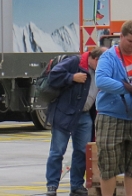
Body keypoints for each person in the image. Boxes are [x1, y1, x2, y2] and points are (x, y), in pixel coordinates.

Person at [45, 46, 106, 196]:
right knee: (57, 151)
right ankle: (52, 186)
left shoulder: (99, 71)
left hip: (84, 115)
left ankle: (77, 185)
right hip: (64, 114)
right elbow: (53, 76)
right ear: (95, 59)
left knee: (82, 152)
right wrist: (71, 77)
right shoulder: (74, 62)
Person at [95, 20, 132, 196]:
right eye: (130, 41)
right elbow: (101, 80)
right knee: (108, 166)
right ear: (121, 36)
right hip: (110, 117)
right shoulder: (109, 57)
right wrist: (126, 88)